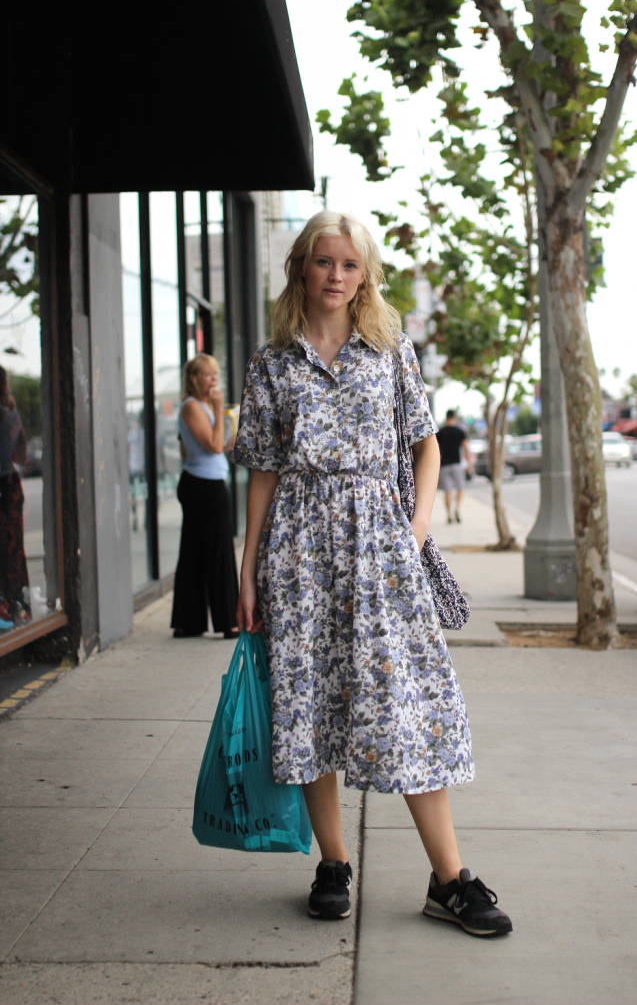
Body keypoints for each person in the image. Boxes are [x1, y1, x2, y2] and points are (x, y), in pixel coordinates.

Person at [233, 211, 511, 937]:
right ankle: (332, 863)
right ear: (300, 267)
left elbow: (424, 445)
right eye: (323, 262)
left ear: (364, 275)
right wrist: (248, 570)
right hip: (297, 550)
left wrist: (416, 528)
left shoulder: (388, 350)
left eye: (348, 265)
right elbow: (262, 471)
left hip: (379, 546)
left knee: (407, 706)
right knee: (310, 701)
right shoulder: (271, 364)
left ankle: (449, 878)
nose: (334, 276)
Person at [170, 353, 239, 638]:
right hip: (205, 486)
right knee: (219, 552)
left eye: (214, 374)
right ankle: (228, 622)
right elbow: (211, 445)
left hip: (201, 480)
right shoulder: (192, 406)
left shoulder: (201, 407)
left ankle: (189, 622)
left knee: (196, 552)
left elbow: (199, 447)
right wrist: (221, 409)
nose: (213, 379)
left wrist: (225, 436)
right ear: (193, 379)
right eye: (207, 374)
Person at [0, 366, 31, 631]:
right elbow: (22, 454)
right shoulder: (12, 412)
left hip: (3, 485)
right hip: (11, 483)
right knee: (13, 547)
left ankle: (7, 607)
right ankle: (18, 605)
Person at [436, 409, 472, 524]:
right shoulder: (459, 431)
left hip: (444, 465)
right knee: (460, 488)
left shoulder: (440, 432)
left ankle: (449, 514)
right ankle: (457, 507)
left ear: (446, 417)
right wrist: (469, 463)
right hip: (457, 464)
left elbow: (435, 450)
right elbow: (465, 448)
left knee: (447, 491)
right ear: (454, 418)